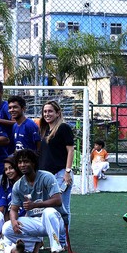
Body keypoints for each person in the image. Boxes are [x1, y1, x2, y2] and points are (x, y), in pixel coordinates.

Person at [1, 149, 66, 253]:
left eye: (26, 161)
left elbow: (57, 201)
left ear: (33, 163)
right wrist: (13, 221)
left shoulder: (47, 177)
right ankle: (34, 244)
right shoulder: (18, 185)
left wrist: (35, 205)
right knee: (7, 228)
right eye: (20, 162)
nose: (22, 165)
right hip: (35, 223)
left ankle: (55, 249)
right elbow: (13, 209)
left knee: (48, 211)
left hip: (55, 220)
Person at [38, 100, 75, 237]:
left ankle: (63, 240)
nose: (47, 114)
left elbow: (70, 150)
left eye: (50, 111)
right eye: (45, 111)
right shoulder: (44, 129)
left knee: (62, 207)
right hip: (46, 176)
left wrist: (67, 172)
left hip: (60, 174)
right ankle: (52, 238)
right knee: (46, 208)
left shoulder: (63, 128)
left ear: (58, 113)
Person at [1, 157, 24, 221]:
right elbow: (6, 211)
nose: (8, 172)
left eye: (11, 168)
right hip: (13, 221)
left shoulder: (26, 184)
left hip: (27, 219)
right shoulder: (6, 189)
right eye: (6, 169)